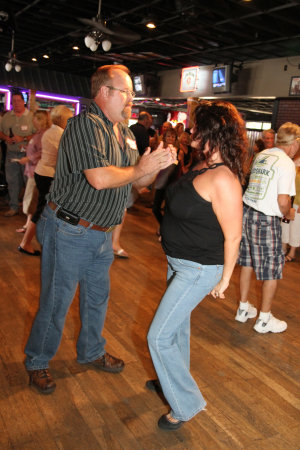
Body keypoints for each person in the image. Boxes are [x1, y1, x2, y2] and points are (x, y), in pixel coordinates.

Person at [24, 64, 176, 394]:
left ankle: (91, 351)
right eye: (125, 91)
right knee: (56, 302)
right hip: (69, 229)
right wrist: (139, 168)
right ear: (104, 92)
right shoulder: (83, 125)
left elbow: (138, 184)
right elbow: (99, 178)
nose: (131, 98)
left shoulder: (123, 132)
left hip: (102, 233)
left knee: (97, 299)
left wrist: (156, 166)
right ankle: (37, 361)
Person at [147, 100, 247, 430]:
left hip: (199, 269)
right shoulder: (202, 166)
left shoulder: (224, 179)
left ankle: (186, 403)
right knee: (175, 330)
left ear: (212, 134)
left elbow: (234, 236)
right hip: (178, 262)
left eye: (195, 127)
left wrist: (226, 280)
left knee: (158, 338)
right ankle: (170, 378)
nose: (189, 131)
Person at [235, 122, 300, 333]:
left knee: (247, 262)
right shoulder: (286, 163)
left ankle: (243, 309)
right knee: (272, 271)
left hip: (247, 213)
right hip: (265, 220)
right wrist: (288, 213)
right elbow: (283, 202)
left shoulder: (263, 155)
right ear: (295, 142)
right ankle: (264, 319)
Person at [18, 105, 73, 256]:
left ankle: (37, 243)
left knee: (44, 210)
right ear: (63, 119)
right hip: (49, 176)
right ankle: (26, 243)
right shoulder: (60, 134)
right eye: (69, 118)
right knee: (43, 211)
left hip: (42, 173)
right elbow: (66, 158)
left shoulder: (50, 131)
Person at [0, 91, 35, 216]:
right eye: (13, 101)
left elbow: (38, 134)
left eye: (18, 100)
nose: (16, 103)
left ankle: (29, 211)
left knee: (28, 183)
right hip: (11, 154)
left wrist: (23, 138)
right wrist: (5, 138)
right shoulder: (7, 117)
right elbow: (0, 132)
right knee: (12, 181)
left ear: (23, 101)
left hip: (27, 155)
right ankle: (13, 207)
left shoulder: (31, 116)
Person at [16, 110, 50, 233]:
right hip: (32, 169)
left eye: (34, 119)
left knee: (31, 198)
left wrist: (28, 158)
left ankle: (28, 225)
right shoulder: (40, 133)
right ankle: (28, 224)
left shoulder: (43, 135)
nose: (32, 121)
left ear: (40, 120)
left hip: (36, 170)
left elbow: (42, 152)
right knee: (31, 197)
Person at [282, 152, 300, 262]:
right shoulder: (293, 160)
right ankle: (283, 248)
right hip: (289, 199)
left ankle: (292, 252)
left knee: (295, 227)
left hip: (298, 202)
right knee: (285, 224)